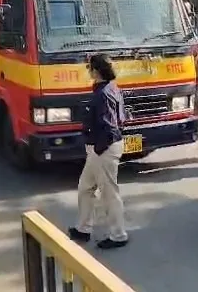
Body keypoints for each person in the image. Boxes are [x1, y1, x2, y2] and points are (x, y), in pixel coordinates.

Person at [68, 54, 128, 249]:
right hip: (102, 149)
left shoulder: (103, 94)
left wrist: (98, 148)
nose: (89, 71)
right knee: (86, 187)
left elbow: (110, 126)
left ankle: (118, 235)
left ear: (96, 71)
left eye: (90, 68)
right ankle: (83, 228)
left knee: (109, 193)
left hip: (103, 149)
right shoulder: (111, 88)